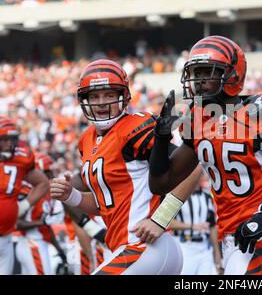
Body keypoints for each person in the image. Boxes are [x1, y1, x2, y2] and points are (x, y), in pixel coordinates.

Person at [144, 35, 262, 275]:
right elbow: (160, 183)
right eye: (195, 73)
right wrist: (161, 137)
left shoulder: (261, 115)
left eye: (207, 72)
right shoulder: (199, 118)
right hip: (230, 239)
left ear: (232, 74)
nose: (198, 81)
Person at [50, 59, 199, 275]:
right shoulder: (87, 140)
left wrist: (161, 218)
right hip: (123, 249)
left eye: (109, 95)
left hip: (146, 247)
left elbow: (194, 165)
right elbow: (105, 205)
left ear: (123, 96)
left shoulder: (136, 126)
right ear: (84, 100)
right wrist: (70, 195)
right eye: (94, 96)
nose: (101, 102)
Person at [0, 117, 50, 275]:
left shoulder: (22, 157)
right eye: (4, 139)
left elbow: (43, 182)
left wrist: (23, 206)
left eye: (12, 139)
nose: (9, 144)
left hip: (6, 237)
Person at [15, 152, 66, 275]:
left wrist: (59, 249)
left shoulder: (47, 194)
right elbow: (17, 223)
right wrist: (43, 221)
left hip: (39, 243)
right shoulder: (27, 191)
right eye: (47, 172)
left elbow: (47, 227)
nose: (51, 176)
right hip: (31, 243)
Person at [170, 176, 222, 275]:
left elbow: (212, 226)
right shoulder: (176, 196)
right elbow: (167, 223)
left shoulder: (208, 197)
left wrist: (217, 252)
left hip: (205, 248)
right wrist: (192, 226)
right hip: (184, 246)